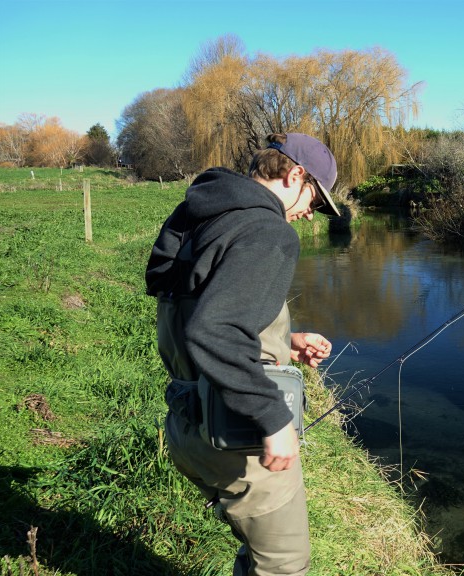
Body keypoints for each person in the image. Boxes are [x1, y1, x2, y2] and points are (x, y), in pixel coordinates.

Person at [145, 133, 343, 575]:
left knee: (257, 547)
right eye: (316, 199)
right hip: (238, 438)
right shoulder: (267, 230)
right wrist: (273, 420)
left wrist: (283, 339)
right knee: (284, 564)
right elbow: (213, 330)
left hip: (186, 426)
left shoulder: (205, 213)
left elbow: (197, 308)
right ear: (295, 175)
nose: (313, 213)